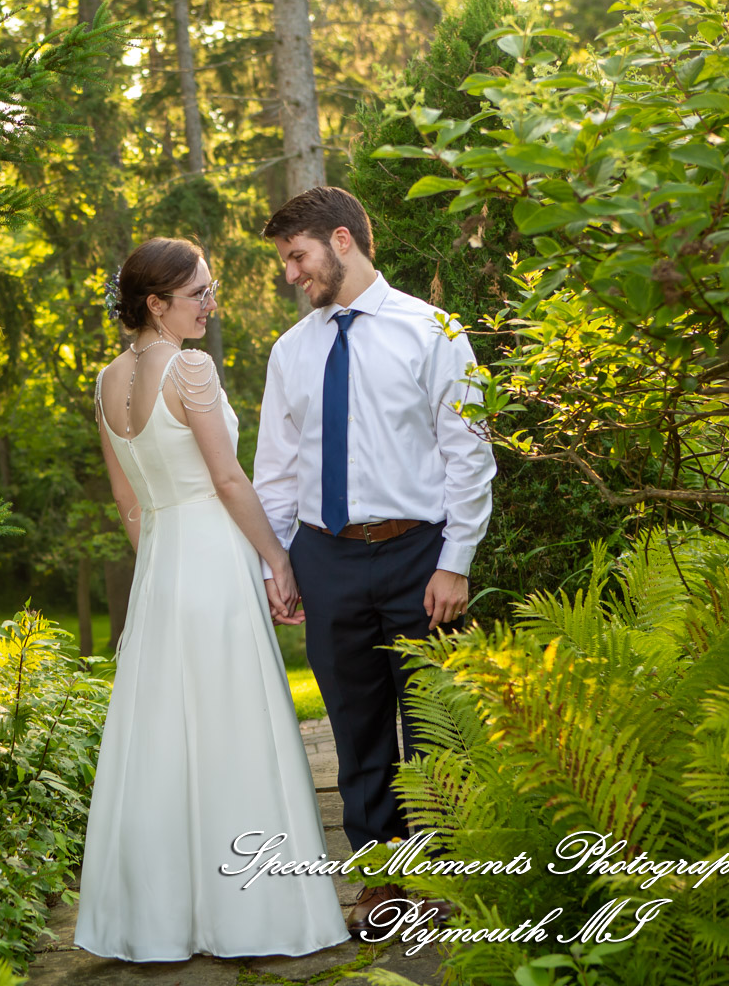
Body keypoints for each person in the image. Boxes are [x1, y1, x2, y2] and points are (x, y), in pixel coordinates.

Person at [73, 237, 350, 961]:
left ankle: (162, 917)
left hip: (162, 567)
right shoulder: (190, 367)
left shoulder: (106, 382)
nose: (210, 303)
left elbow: (128, 501)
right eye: (198, 293)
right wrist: (276, 558)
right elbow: (229, 481)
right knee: (233, 727)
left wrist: (162, 568)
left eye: (210, 287)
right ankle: (252, 915)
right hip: (214, 559)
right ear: (156, 304)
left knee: (166, 738)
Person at [252, 187, 497, 936]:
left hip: (419, 556)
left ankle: (440, 875)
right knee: (355, 731)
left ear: (342, 240)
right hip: (325, 558)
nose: (291, 273)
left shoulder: (434, 333)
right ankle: (381, 880)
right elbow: (277, 470)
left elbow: (469, 453)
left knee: (432, 725)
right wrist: (279, 566)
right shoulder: (291, 352)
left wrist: (455, 561)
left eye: (297, 257)